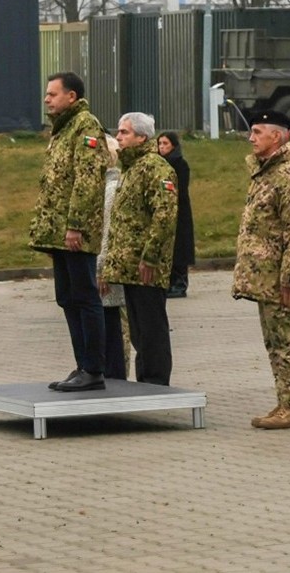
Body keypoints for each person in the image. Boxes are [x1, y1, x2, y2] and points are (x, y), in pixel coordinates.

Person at [233, 110, 290, 430]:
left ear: (277, 137)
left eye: (257, 132)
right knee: (274, 341)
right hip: (263, 275)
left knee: (286, 340)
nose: (251, 138)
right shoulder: (264, 174)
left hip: (279, 278)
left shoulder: (289, 178)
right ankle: (285, 400)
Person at [31, 72, 109, 393]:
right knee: (67, 298)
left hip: (75, 232)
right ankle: (81, 366)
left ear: (72, 97)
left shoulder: (85, 126)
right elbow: (54, 186)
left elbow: (87, 180)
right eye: (47, 94)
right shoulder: (62, 130)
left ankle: (93, 368)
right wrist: (47, 235)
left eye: (53, 94)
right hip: (58, 234)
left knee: (84, 297)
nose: (47, 99)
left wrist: (75, 226)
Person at [101, 112, 179, 386]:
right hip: (129, 266)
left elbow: (164, 215)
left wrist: (151, 256)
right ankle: (145, 381)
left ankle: (156, 383)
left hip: (147, 266)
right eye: (119, 132)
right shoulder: (130, 169)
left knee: (151, 329)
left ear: (141, 137)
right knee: (138, 331)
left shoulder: (155, 168)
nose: (118, 136)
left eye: (124, 132)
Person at [97, 134, 128, 380]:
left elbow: (107, 231)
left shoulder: (111, 188)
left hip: (109, 273)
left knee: (115, 330)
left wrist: (102, 270)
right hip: (113, 268)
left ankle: (116, 378)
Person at [156, 132, 195, 299]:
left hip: (179, 210)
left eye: (165, 143)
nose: (162, 147)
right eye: (160, 143)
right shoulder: (158, 164)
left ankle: (180, 283)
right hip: (162, 209)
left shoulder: (180, 164)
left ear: (173, 145)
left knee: (180, 247)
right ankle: (167, 281)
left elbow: (180, 190)